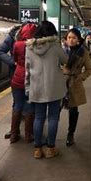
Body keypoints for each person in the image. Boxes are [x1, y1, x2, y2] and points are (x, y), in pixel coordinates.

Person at [25, 21, 67, 159]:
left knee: (38, 117)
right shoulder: (55, 46)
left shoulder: (29, 47)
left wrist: (27, 87)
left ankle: (37, 149)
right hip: (53, 87)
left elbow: (27, 69)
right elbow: (64, 59)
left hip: (36, 87)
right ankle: (50, 148)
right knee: (53, 117)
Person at [63, 28, 91, 146]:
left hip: (74, 84)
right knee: (56, 109)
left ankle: (70, 134)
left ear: (78, 40)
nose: (71, 40)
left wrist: (80, 77)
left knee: (73, 110)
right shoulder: (61, 51)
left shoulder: (83, 52)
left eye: (74, 38)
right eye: (69, 37)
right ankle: (52, 135)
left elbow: (90, 69)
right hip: (60, 83)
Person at [10, 23, 38, 143]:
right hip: (31, 78)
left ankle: (14, 135)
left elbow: (15, 59)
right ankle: (28, 135)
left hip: (18, 77)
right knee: (29, 106)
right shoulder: (36, 46)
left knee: (17, 105)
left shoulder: (17, 44)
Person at [0, 24, 22, 139]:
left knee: (30, 102)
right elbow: (0, 51)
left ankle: (27, 131)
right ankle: (14, 131)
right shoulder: (12, 36)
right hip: (16, 73)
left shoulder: (34, 36)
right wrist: (13, 62)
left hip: (31, 74)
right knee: (17, 101)